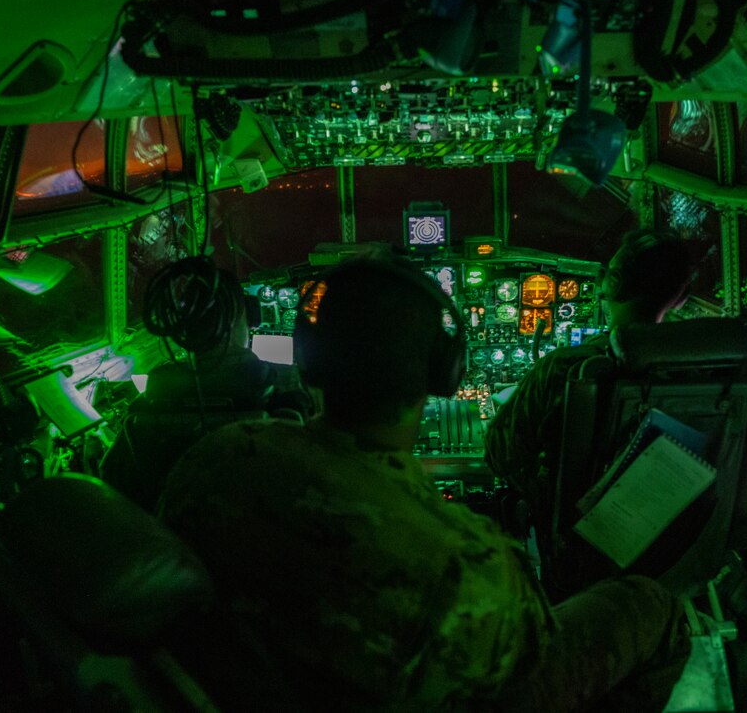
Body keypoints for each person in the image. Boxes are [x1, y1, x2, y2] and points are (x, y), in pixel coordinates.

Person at [158, 254, 690, 711]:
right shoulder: (473, 564)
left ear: (306, 363)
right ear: (444, 373)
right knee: (650, 605)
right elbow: (528, 668)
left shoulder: (213, 459)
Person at [485, 231, 694, 602]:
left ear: (611, 283)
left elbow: (500, 455)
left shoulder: (565, 368)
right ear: (681, 298)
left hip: (578, 551)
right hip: (677, 545)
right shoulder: (704, 370)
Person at [100, 256, 312, 510]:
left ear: (182, 325)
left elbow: (112, 481)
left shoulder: (147, 403)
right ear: (243, 316)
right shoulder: (284, 391)